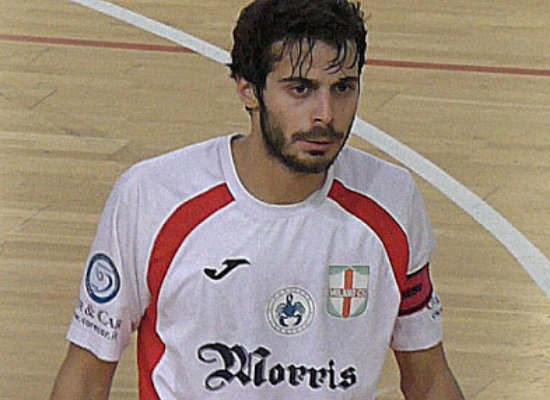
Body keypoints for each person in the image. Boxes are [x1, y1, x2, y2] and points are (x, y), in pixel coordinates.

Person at [50, 0, 466, 399]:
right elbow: (86, 378)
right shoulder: (152, 197)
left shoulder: (391, 200)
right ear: (248, 89)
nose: (325, 114)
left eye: (343, 88)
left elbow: (428, 380)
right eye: (300, 89)